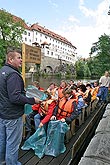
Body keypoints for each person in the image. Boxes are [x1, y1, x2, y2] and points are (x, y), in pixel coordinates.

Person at [0, 48, 40, 165]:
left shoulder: (2, 71)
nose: (21, 60)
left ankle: (2, 161)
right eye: (19, 58)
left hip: (2, 113)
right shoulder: (13, 75)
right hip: (12, 115)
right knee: (13, 143)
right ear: (10, 59)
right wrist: (32, 100)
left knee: (2, 140)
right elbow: (15, 97)